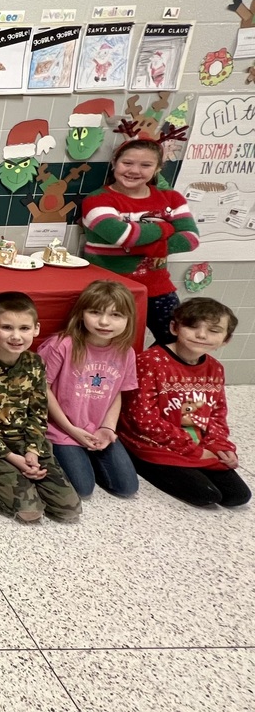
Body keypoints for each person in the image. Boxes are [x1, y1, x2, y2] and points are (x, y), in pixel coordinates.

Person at [119, 298, 250, 508]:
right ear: (174, 327)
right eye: (192, 326)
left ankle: (194, 461)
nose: (201, 335)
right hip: (151, 443)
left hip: (192, 442)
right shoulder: (150, 362)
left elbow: (217, 413)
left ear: (226, 339)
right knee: (206, 495)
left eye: (214, 330)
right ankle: (138, 461)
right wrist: (192, 449)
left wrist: (219, 445)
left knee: (238, 496)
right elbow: (143, 419)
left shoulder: (215, 369)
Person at [0, 292, 82, 523]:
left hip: (25, 441)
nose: (16, 336)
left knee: (69, 510)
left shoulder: (34, 363)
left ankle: (24, 475)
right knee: (29, 512)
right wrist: (10, 457)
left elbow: (38, 411)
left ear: (36, 329)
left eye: (24, 328)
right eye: (7, 327)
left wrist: (32, 452)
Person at [81, 138, 199, 345]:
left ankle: (147, 372)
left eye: (145, 165)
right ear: (115, 162)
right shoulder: (97, 200)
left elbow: (190, 239)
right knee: (114, 345)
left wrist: (141, 243)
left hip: (158, 286)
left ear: (157, 168)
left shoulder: (171, 198)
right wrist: (166, 228)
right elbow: (121, 236)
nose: (134, 170)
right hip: (109, 288)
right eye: (127, 163)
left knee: (179, 339)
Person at [39, 281, 140, 499]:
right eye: (95, 312)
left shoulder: (126, 352)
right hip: (62, 429)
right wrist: (71, 429)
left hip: (97, 428)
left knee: (127, 487)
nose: (104, 322)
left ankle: (88, 455)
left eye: (116, 315)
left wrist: (108, 429)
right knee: (83, 490)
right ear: (81, 313)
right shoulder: (61, 345)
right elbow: (42, 389)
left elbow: (117, 393)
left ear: (128, 319)